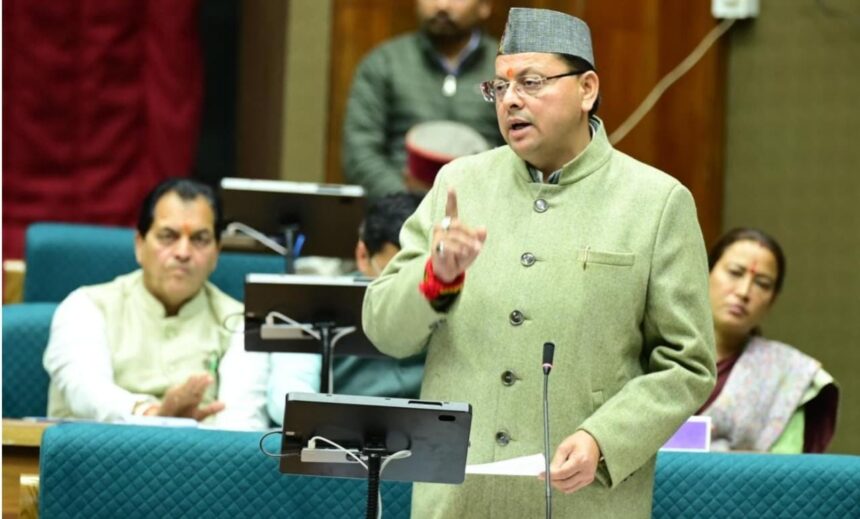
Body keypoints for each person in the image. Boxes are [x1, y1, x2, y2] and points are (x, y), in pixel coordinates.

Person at [361, 8, 716, 518]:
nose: (511, 100)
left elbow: (687, 364)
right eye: (499, 87)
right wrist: (437, 279)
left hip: (582, 500)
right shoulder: (458, 185)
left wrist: (604, 439)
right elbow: (385, 332)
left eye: (530, 82)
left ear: (587, 89)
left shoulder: (655, 202)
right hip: (459, 500)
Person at [44, 178, 269, 430]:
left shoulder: (241, 322)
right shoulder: (86, 306)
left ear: (216, 253)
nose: (183, 252)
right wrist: (151, 414)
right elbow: (86, 392)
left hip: (203, 453)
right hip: (97, 451)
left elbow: (243, 423)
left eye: (200, 239)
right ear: (139, 245)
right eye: (168, 236)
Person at [267, 193, 424, 426]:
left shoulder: (444, 299)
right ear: (363, 256)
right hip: (337, 433)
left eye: (417, 273)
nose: (405, 289)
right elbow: (290, 392)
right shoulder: (316, 300)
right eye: (394, 272)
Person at [342, 0, 504, 198]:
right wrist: (404, 203)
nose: (442, 5)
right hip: (398, 205)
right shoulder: (384, 63)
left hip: (484, 203)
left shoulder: (505, 69)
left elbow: (522, 153)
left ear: (484, 6)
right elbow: (360, 153)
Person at [699, 227, 839, 453]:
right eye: (735, 272)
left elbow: (787, 467)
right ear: (704, 274)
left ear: (772, 300)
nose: (744, 292)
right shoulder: (655, 349)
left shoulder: (790, 374)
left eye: (762, 283)